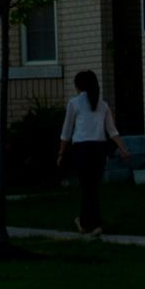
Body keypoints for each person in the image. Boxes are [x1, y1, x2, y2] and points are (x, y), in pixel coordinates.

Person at [61, 68, 114, 236]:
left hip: (82, 149)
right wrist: (122, 148)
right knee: (91, 186)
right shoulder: (102, 105)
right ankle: (90, 222)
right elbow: (112, 130)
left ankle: (88, 222)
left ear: (79, 86)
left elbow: (66, 131)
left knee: (87, 186)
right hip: (99, 149)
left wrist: (61, 153)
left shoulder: (74, 103)